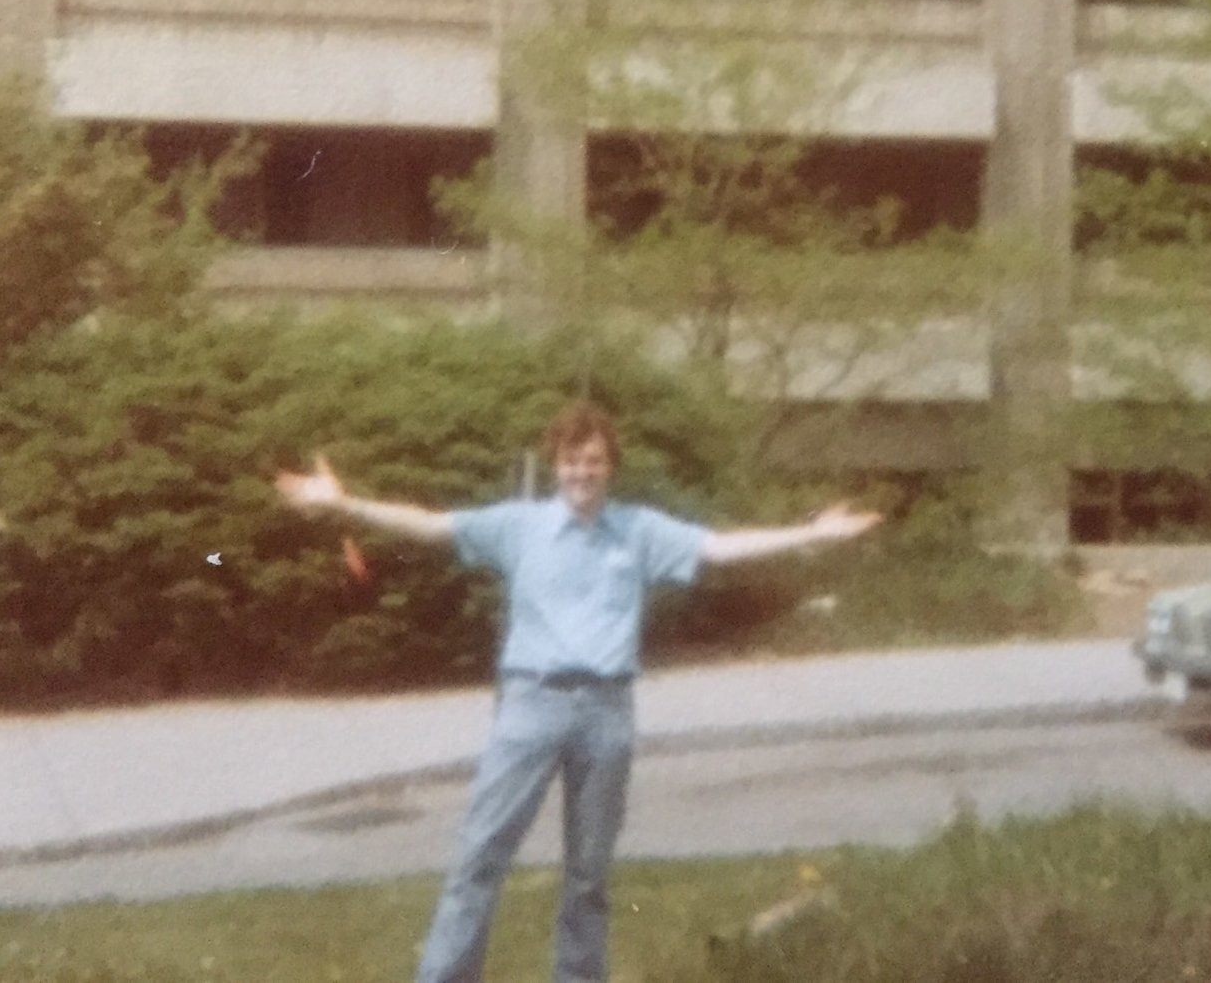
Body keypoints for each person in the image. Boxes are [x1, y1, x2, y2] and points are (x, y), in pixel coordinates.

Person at [275, 403, 880, 983]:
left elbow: (716, 547)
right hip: (532, 704)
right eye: (570, 460)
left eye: (592, 462)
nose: (581, 473)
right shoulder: (520, 526)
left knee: (589, 873)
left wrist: (811, 537)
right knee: (481, 853)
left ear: (610, 467)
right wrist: (344, 501)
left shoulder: (639, 531)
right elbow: (434, 527)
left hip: (607, 713)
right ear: (556, 464)